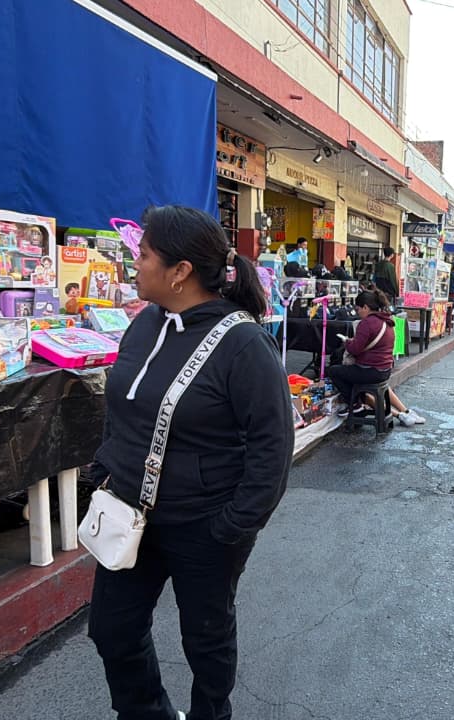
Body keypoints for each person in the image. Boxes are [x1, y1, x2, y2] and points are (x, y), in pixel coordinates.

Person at [87, 205, 293, 720]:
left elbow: (273, 446)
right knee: (112, 628)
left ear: (179, 272)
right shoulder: (144, 325)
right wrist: (107, 466)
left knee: (206, 639)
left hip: (205, 523)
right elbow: (124, 405)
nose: (134, 264)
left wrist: (233, 525)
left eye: (145, 255)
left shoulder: (244, 343)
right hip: (130, 514)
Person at [328, 289, 395, 413]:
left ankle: (355, 405)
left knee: (334, 371)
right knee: (349, 373)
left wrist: (347, 342)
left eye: (358, 309)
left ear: (365, 307)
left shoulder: (367, 323)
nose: (358, 313)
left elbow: (355, 349)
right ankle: (358, 405)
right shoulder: (387, 321)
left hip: (371, 371)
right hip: (385, 370)